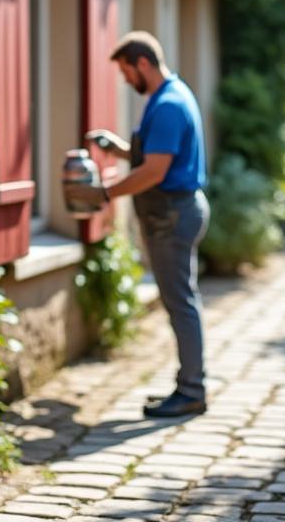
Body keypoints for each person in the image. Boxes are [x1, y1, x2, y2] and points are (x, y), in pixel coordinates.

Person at [67, 31, 210, 419]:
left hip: (171, 214)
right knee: (182, 300)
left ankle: (192, 390)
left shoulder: (166, 105)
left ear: (143, 63)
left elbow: (154, 170)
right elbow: (157, 153)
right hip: (176, 211)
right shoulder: (171, 95)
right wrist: (118, 148)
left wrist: (104, 194)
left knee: (181, 303)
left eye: (128, 72)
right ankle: (190, 386)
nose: (127, 81)